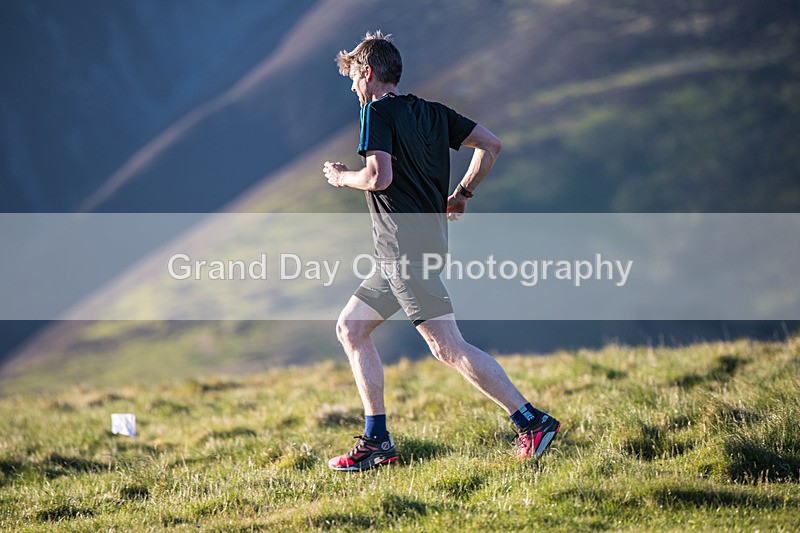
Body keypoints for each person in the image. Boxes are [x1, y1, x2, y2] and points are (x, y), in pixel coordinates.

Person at [322, 31, 560, 472]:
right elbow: (491, 145)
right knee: (351, 328)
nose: (353, 88)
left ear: (368, 73)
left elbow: (377, 177)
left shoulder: (376, 111)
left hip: (404, 253)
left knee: (447, 346)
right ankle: (377, 441)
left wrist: (341, 177)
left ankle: (531, 421)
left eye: (354, 78)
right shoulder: (434, 112)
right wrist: (463, 193)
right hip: (418, 247)